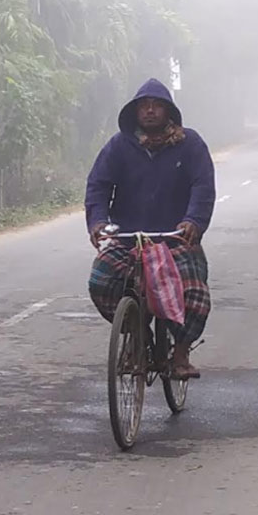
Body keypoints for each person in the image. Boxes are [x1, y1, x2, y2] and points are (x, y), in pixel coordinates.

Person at [85, 79, 216, 380]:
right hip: (129, 237)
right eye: (144, 106)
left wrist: (193, 222)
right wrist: (98, 223)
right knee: (100, 280)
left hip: (175, 238)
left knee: (194, 292)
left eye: (157, 105)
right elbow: (98, 186)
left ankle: (180, 353)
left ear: (168, 111)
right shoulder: (118, 146)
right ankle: (135, 330)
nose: (150, 111)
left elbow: (203, 187)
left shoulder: (191, 144)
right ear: (134, 113)